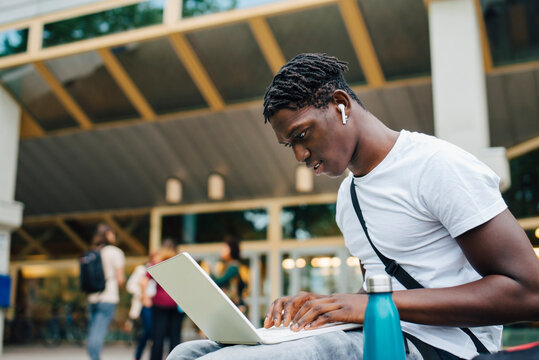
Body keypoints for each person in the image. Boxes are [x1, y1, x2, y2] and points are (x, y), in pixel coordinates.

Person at [167, 53, 539, 360]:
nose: (299, 155)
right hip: (378, 334)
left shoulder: (436, 166)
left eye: (302, 135)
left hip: (444, 347)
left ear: (341, 106)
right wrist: (327, 304)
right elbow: (381, 290)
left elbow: (527, 292)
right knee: (188, 352)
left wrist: (367, 306)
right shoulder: (349, 198)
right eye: (289, 146)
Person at [86, 222, 125, 360]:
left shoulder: (93, 252)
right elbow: (120, 279)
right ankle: (95, 357)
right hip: (108, 296)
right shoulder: (115, 252)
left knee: (93, 330)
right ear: (109, 234)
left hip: (92, 297)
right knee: (100, 331)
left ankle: (92, 355)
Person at [142, 246, 185, 360]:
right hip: (177, 305)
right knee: (175, 337)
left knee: (158, 337)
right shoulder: (178, 266)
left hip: (160, 305)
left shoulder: (158, 265)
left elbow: (143, 281)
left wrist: (144, 297)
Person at [125, 252, 157, 360]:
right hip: (145, 304)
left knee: (154, 332)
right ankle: (138, 355)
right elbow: (130, 286)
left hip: (157, 304)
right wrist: (143, 295)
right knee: (149, 330)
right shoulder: (141, 270)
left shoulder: (159, 271)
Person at [211, 236, 246, 313]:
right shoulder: (226, 266)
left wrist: (210, 273)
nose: (221, 251)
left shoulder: (233, 267)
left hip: (233, 305)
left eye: (225, 248)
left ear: (231, 250)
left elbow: (218, 282)